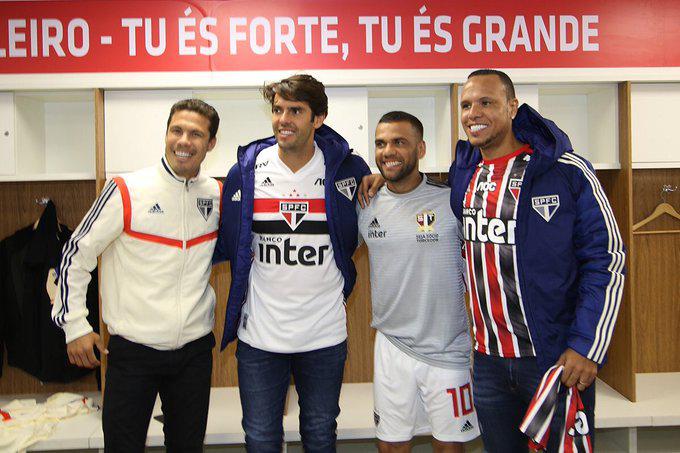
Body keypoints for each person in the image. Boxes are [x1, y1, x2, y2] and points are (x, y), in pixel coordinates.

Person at [448, 69, 625, 451]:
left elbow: (606, 261)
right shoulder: (464, 174)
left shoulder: (565, 170)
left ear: (513, 107)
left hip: (554, 360)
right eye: (466, 104)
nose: (473, 113)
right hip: (489, 363)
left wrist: (587, 346)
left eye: (486, 102)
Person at [52, 99, 222, 453]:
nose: (184, 141)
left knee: (188, 448)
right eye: (176, 130)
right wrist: (75, 325)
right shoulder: (126, 189)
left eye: (195, 134)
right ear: (166, 134)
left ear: (211, 143)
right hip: (133, 352)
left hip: (194, 352)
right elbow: (75, 255)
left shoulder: (216, 194)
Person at [213, 74, 371, 452]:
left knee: (320, 434)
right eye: (278, 109)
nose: (283, 119)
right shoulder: (246, 171)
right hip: (260, 337)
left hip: (324, 334)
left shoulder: (348, 170)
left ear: (318, 118)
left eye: (295, 111)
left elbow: (365, 230)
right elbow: (228, 242)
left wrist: (380, 181)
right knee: (261, 438)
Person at [357, 111, 480, 452]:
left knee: (449, 446)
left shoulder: (451, 200)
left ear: (421, 148)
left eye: (399, 142)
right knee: (391, 446)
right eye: (381, 143)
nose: (388, 151)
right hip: (392, 346)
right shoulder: (366, 203)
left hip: (447, 348)